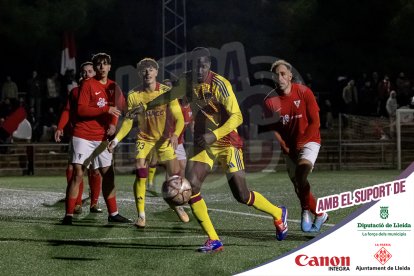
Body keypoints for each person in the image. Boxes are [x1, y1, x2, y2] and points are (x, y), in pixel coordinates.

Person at [140, 48, 287, 253]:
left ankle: (278, 213)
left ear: (209, 65)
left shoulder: (220, 84)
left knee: (242, 195)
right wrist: (146, 106)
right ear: (190, 65)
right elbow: (170, 95)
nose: (200, 69)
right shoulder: (186, 80)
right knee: (191, 186)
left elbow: (238, 117)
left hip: (227, 141)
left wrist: (214, 134)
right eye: (196, 64)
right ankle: (213, 239)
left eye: (204, 65)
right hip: (203, 142)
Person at [108, 58, 189, 228]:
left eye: (151, 69)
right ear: (139, 73)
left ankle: (175, 203)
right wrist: (115, 140)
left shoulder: (167, 92)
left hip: (164, 140)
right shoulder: (133, 95)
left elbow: (180, 118)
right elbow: (129, 121)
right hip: (144, 140)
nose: (147, 72)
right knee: (141, 171)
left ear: (156, 72)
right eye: (144, 70)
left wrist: (175, 134)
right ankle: (141, 215)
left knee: (175, 175)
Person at [61, 52, 131, 225]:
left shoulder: (114, 87)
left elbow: (119, 108)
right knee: (78, 173)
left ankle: (113, 213)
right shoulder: (87, 85)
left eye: (105, 64)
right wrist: (105, 110)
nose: (102, 67)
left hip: (101, 137)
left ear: (109, 66)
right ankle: (69, 215)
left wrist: (114, 124)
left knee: (108, 174)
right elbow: (82, 110)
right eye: (98, 64)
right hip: (83, 135)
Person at [262, 59, 328, 233]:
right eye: (276, 75)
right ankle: (320, 214)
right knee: (299, 184)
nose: (280, 77)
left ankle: (306, 209)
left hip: (310, 141)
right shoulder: (269, 101)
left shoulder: (304, 92)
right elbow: (272, 129)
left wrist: (302, 142)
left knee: (302, 171)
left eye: (283, 73)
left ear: (290, 76)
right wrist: (284, 146)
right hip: (290, 147)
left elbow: (316, 122)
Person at [55, 61, 102, 214]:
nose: (86, 74)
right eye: (83, 71)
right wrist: (60, 127)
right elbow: (67, 110)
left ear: (95, 73)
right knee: (74, 169)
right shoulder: (75, 92)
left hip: (96, 136)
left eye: (89, 71)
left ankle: (94, 203)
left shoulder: (101, 90)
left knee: (95, 170)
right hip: (79, 135)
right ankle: (77, 202)